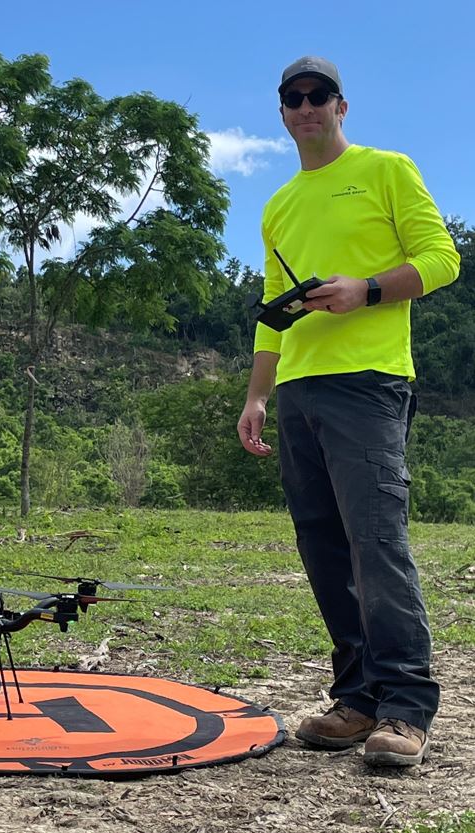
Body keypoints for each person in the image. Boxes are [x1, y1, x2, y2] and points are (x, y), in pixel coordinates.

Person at [236, 56, 460, 767]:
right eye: (292, 98)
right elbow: (274, 315)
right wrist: (257, 394)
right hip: (298, 390)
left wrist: (366, 289)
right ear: (281, 113)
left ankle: (404, 706)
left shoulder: (388, 169)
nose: (306, 107)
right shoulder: (277, 206)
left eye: (318, 96)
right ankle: (358, 697)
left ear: (342, 105)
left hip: (369, 382)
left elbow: (442, 258)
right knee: (324, 548)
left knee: (376, 540)